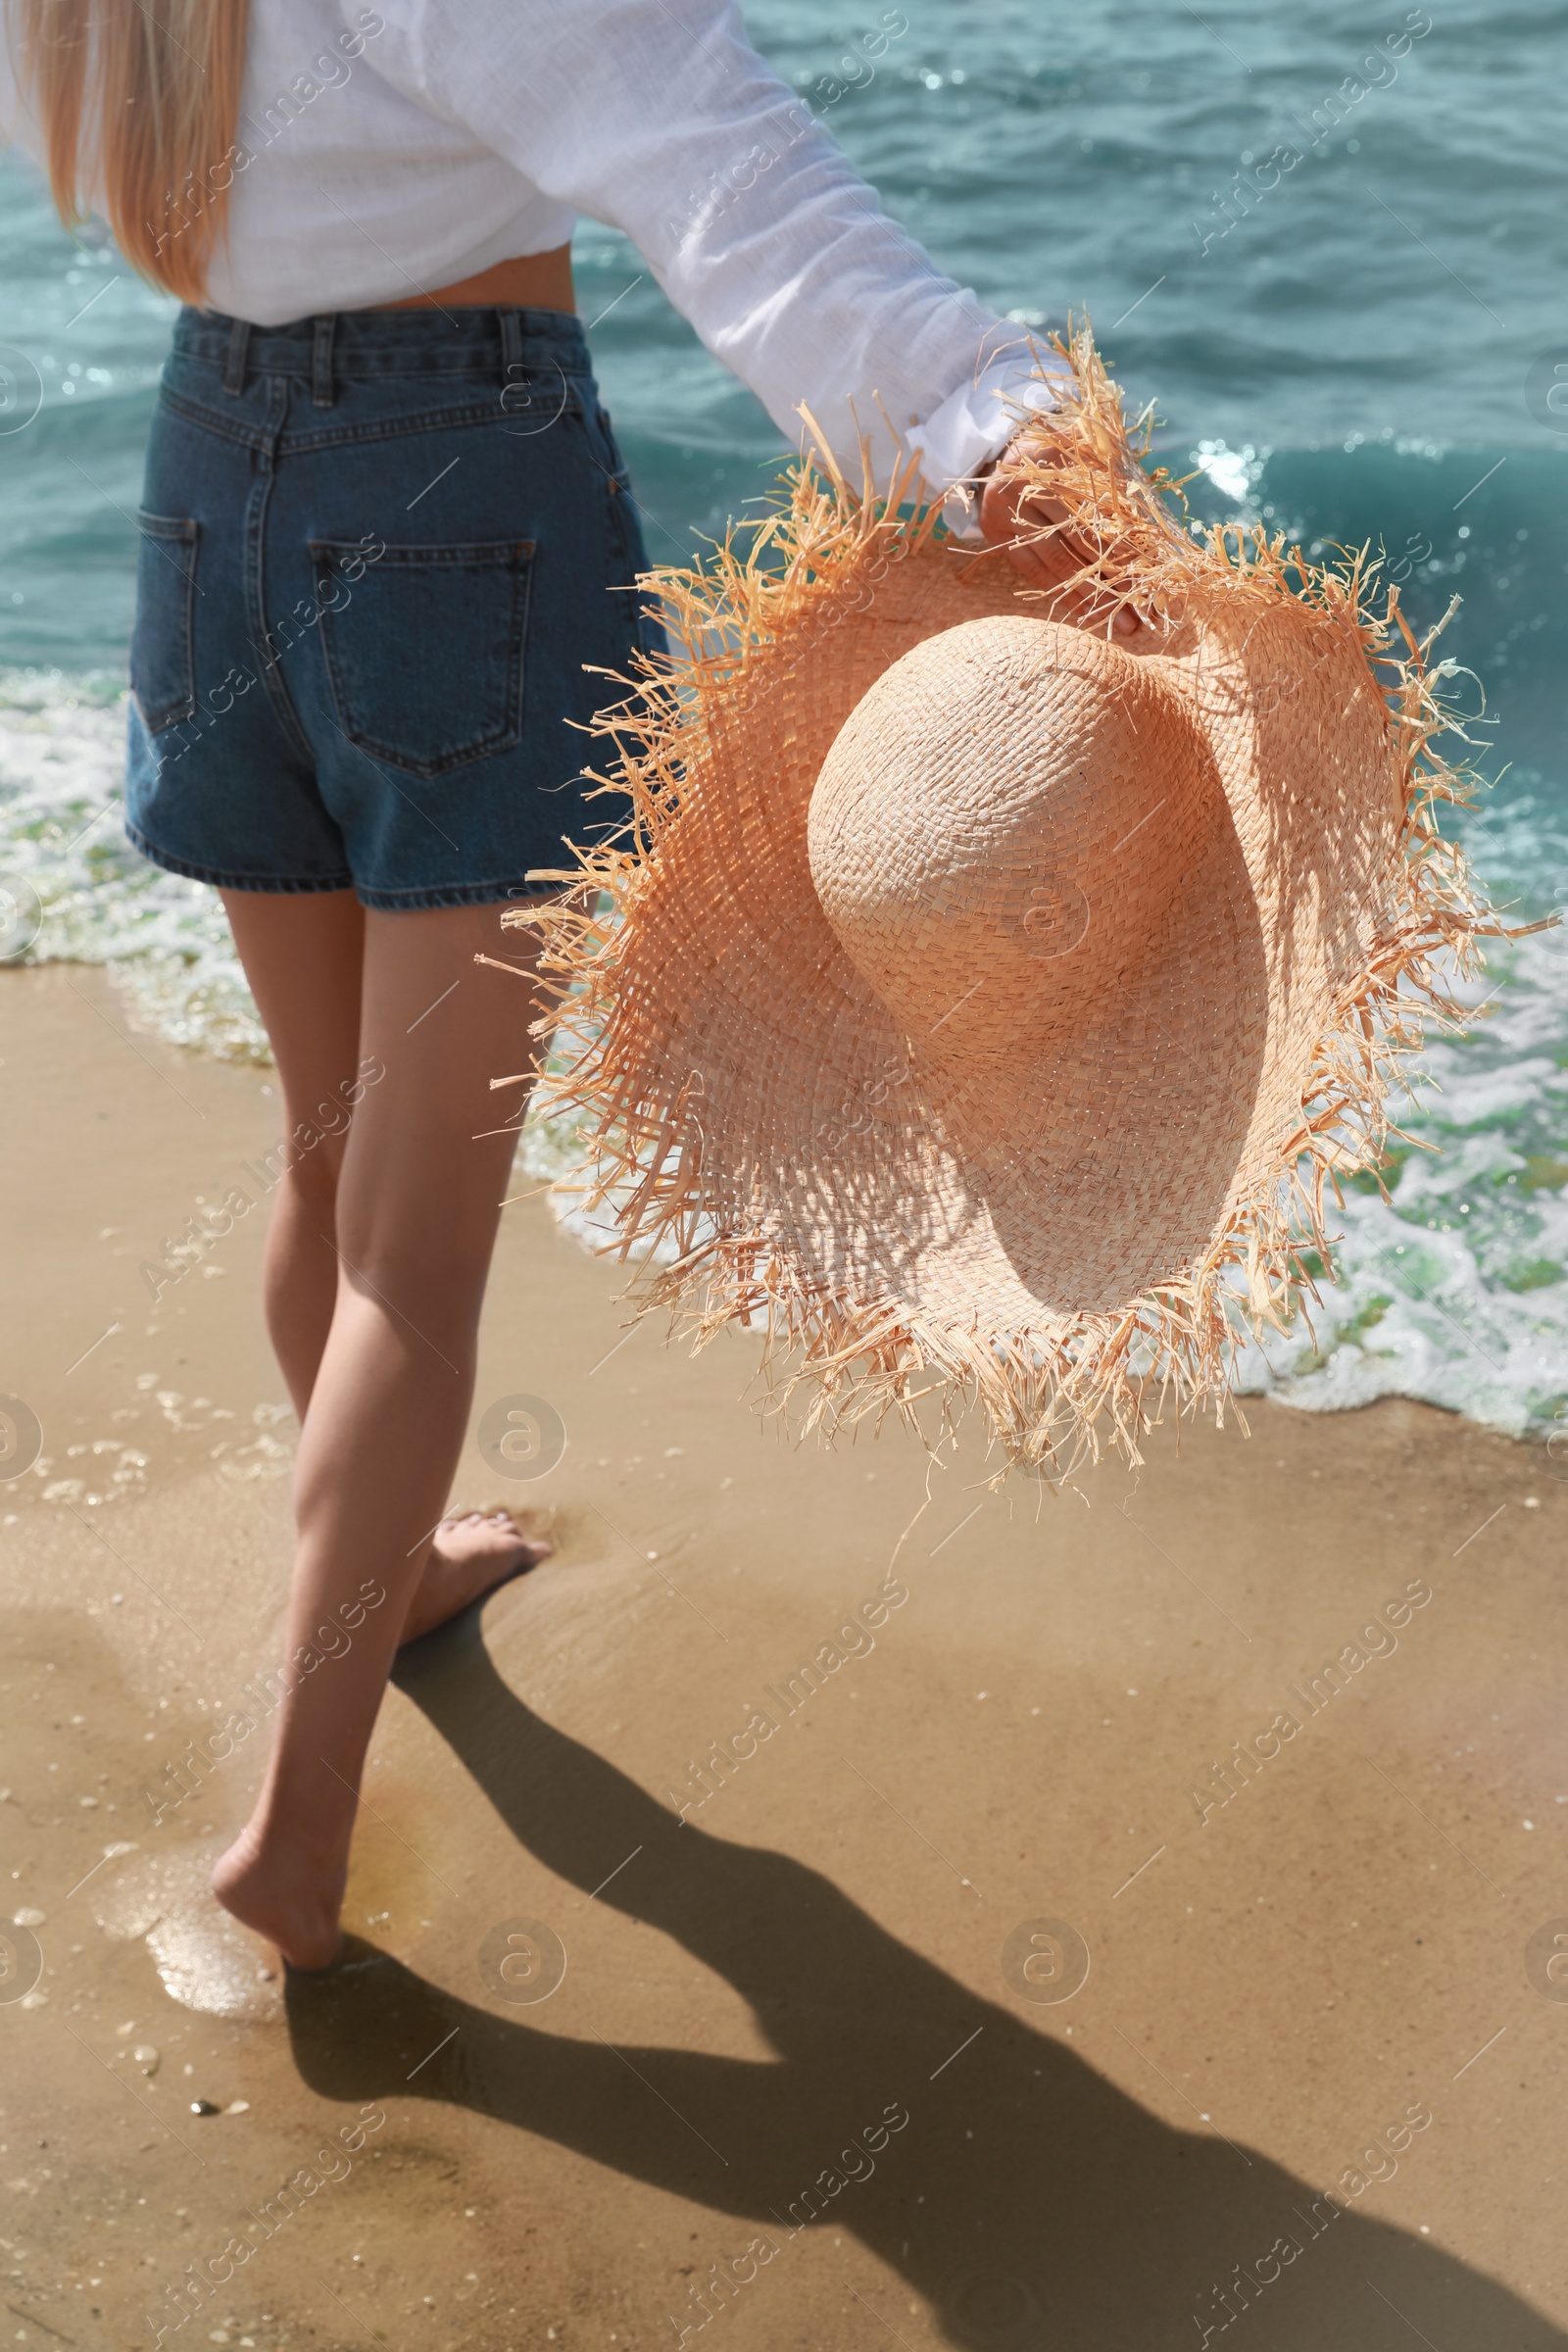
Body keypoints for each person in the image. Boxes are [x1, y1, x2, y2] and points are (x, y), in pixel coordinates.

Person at [2, 0, 1139, 1969]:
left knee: (327, 1151)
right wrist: (979, 419)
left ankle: (392, 1568)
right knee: (410, 1252)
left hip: (209, 489)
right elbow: (727, 176)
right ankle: (292, 1833)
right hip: (455, 501)